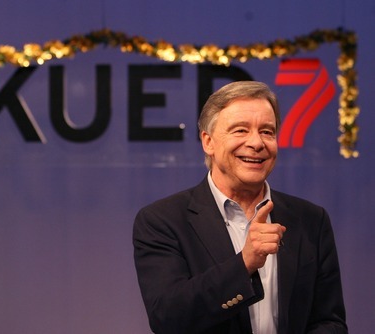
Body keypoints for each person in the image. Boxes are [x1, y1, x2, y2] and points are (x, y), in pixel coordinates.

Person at [133, 81, 347, 334]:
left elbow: (329, 321)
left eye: (267, 131)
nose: (257, 143)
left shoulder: (310, 219)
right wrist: (244, 263)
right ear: (208, 142)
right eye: (240, 130)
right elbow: (168, 319)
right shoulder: (163, 220)